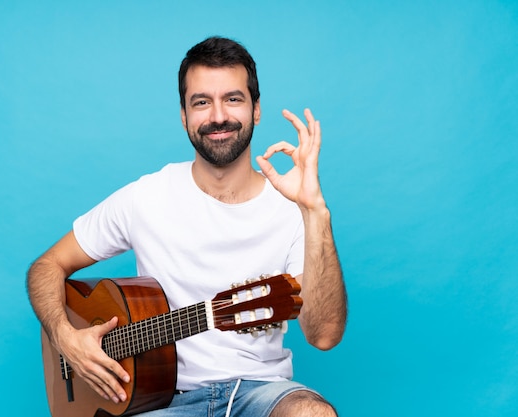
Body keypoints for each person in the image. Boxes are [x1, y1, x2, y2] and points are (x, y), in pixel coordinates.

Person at [27, 36, 347, 417]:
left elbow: (324, 335)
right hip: (161, 401)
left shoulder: (293, 210)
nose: (217, 116)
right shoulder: (145, 197)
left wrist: (315, 210)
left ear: (256, 109)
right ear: (183, 115)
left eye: (233, 99)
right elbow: (45, 268)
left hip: (262, 393)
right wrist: (65, 338)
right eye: (201, 102)